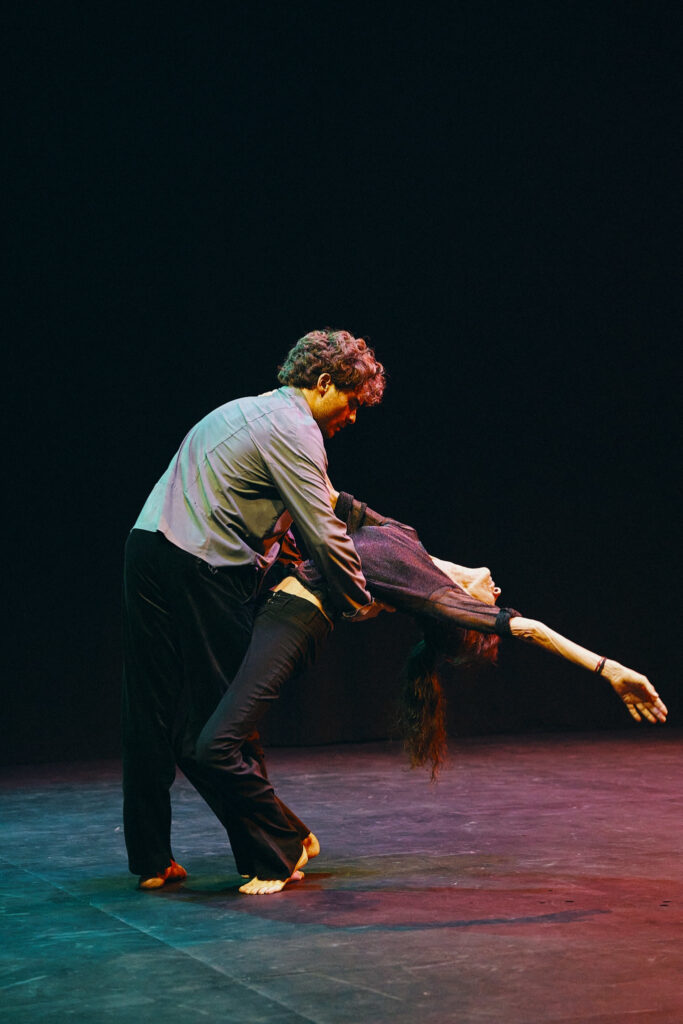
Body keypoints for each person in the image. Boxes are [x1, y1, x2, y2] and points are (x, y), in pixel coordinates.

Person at [192, 494, 667, 894]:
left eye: (493, 603)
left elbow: (531, 630)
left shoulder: (437, 594)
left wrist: (609, 669)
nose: (498, 590)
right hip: (270, 606)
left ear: (466, 609)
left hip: (295, 619)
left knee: (215, 745)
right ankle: (296, 835)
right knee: (197, 737)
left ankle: (283, 847)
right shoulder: (406, 537)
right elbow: (325, 495)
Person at [121, 330, 386, 889]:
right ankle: (273, 851)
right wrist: (359, 599)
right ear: (323, 383)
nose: (353, 417)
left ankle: (151, 857)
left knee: (150, 707)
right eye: (351, 402)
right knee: (228, 718)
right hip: (202, 564)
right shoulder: (296, 430)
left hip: (145, 548)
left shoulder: (242, 409)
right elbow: (325, 532)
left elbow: (249, 503)